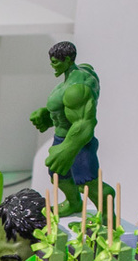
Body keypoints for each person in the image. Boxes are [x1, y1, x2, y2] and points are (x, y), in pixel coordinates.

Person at [30, 41, 113, 215]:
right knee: (58, 175)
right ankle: (73, 203)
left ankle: (107, 216)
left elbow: (84, 123)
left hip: (77, 142)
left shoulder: (76, 89)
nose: (52, 66)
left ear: (68, 60)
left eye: (55, 62)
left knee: (87, 182)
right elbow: (67, 111)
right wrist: (48, 115)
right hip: (62, 138)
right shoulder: (79, 73)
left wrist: (68, 149)